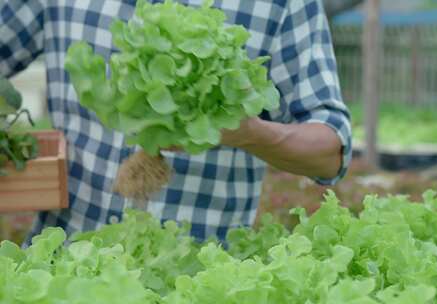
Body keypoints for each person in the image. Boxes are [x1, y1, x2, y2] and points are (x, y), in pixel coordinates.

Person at [1, 0, 352, 244]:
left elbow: (330, 150)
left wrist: (251, 133)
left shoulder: (279, 4)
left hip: (198, 278)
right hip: (67, 271)